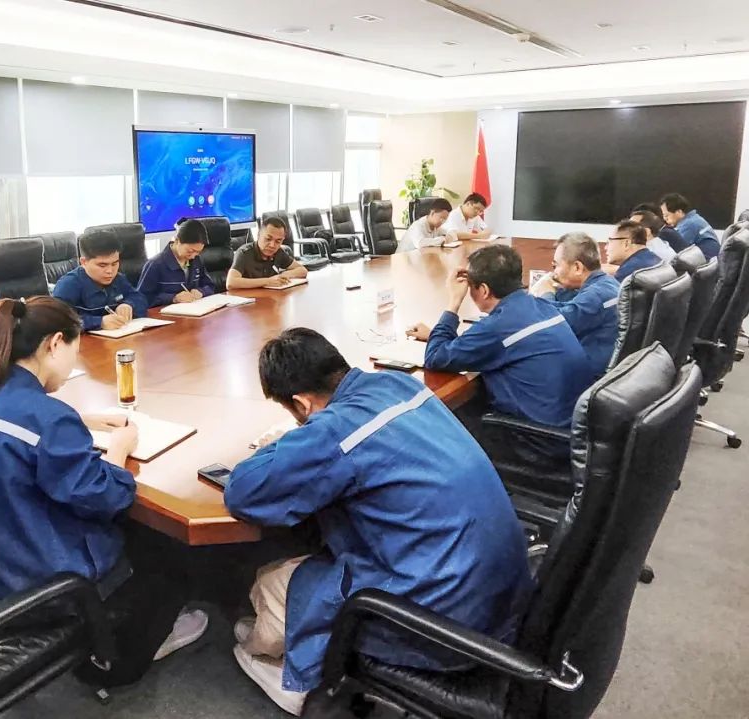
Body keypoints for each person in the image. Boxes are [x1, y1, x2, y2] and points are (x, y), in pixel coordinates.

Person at [224, 328, 534, 716]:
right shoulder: (399, 383)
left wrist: (284, 444)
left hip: (438, 624)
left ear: (301, 404)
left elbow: (243, 492)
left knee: (273, 582)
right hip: (503, 598)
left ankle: (296, 680)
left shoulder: (336, 430)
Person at [0, 296, 207, 687]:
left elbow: (20, 429)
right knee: (165, 552)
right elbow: (103, 496)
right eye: (74, 350)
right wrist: (119, 449)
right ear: (54, 344)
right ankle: (124, 653)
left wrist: (80, 419)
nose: (72, 363)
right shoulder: (48, 418)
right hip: (33, 583)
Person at [406, 244, 591, 430]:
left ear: (484, 290)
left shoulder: (497, 327)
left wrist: (453, 301)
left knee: (444, 424)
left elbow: (435, 357)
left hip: (534, 437)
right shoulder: (543, 306)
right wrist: (437, 335)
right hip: (571, 426)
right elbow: (504, 341)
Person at [530, 233, 620, 381]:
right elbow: (573, 307)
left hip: (587, 378)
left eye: (556, 266)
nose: (554, 273)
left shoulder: (596, 296)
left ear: (577, 267)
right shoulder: (609, 284)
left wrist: (545, 293)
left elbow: (555, 323)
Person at [53, 232, 149, 331]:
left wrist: (128, 304)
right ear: (84, 262)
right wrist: (100, 322)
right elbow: (57, 321)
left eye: (114, 264)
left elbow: (140, 298)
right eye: (102, 265)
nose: (110, 271)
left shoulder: (118, 278)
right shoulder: (68, 285)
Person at [137, 218, 216, 307]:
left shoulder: (196, 260)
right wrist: (173, 298)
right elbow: (141, 299)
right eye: (190, 251)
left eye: (198, 252)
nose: (193, 256)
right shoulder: (155, 264)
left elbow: (210, 286)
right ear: (177, 241)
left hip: (193, 310)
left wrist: (201, 292)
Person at [226, 217, 309, 290]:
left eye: (278, 241)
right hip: (247, 298)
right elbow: (231, 283)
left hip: (269, 296)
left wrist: (285, 275)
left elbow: (302, 270)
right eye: (268, 239)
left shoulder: (279, 252)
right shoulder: (244, 253)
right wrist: (268, 281)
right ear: (259, 235)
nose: (272, 245)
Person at [660, 192, 721, 260]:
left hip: (707, 261)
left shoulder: (688, 225)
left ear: (679, 212)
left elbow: (675, 251)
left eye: (666, 215)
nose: (665, 219)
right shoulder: (694, 218)